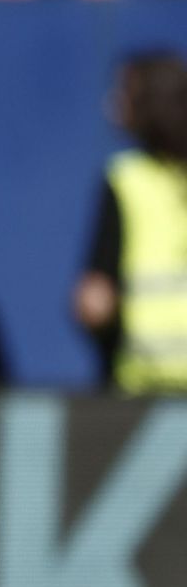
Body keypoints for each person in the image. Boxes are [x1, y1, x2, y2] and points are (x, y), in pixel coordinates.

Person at [73, 51, 187, 393]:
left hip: (140, 391)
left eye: (124, 92)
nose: (111, 103)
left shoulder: (125, 179)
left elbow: (95, 301)